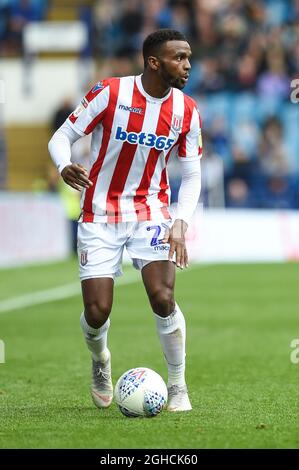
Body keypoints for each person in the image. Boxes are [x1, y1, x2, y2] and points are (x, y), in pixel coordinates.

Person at [48, 29, 202, 412]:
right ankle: (100, 360)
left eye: (188, 57)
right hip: (100, 213)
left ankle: (178, 386)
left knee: (163, 297)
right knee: (97, 311)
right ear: (154, 62)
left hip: (151, 211)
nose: (187, 65)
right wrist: (64, 165)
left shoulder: (187, 110)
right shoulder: (111, 93)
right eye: (179, 58)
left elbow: (192, 173)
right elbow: (61, 137)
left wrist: (180, 221)